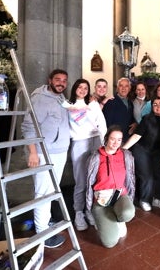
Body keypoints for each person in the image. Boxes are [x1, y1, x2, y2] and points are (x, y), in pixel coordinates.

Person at [21, 69, 70, 248]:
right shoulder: (40, 98)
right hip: (43, 152)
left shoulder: (61, 99)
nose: (61, 83)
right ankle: (42, 234)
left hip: (59, 151)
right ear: (50, 80)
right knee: (43, 192)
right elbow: (28, 126)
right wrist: (33, 152)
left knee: (51, 190)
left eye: (64, 80)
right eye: (57, 80)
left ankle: (44, 223)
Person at [66, 78, 107, 231]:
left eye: (85, 88)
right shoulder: (68, 105)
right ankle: (78, 212)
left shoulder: (93, 104)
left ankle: (90, 211)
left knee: (95, 179)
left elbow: (102, 124)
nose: (83, 90)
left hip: (96, 140)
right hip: (79, 142)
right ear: (75, 88)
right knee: (81, 180)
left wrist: (103, 144)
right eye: (80, 87)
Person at [86, 126, 136, 248]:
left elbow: (131, 179)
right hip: (101, 200)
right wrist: (88, 207)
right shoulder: (95, 157)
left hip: (119, 195)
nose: (116, 143)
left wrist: (130, 196)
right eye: (113, 139)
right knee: (110, 243)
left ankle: (117, 217)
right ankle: (105, 218)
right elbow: (87, 184)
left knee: (128, 213)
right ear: (106, 139)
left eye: (119, 140)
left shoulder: (126, 156)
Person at [122, 97, 160, 211]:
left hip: (158, 151)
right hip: (142, 149)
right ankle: (144, 200)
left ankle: (157, 198)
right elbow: (136, 136)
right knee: (147, 176)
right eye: (155, 104)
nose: (158, 106)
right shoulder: (147, 119)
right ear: (152, 107)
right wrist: (123, 149)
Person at [102, 77, 136, 142]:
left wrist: (134, 123)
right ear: (117, 88)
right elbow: (107, 122)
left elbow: (130, 117)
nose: (124, 88)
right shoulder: (111, 101)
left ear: (129, 88)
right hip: (115, 139)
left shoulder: (130, 102)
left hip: (127, 138)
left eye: (126, 86)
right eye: (121, 86)